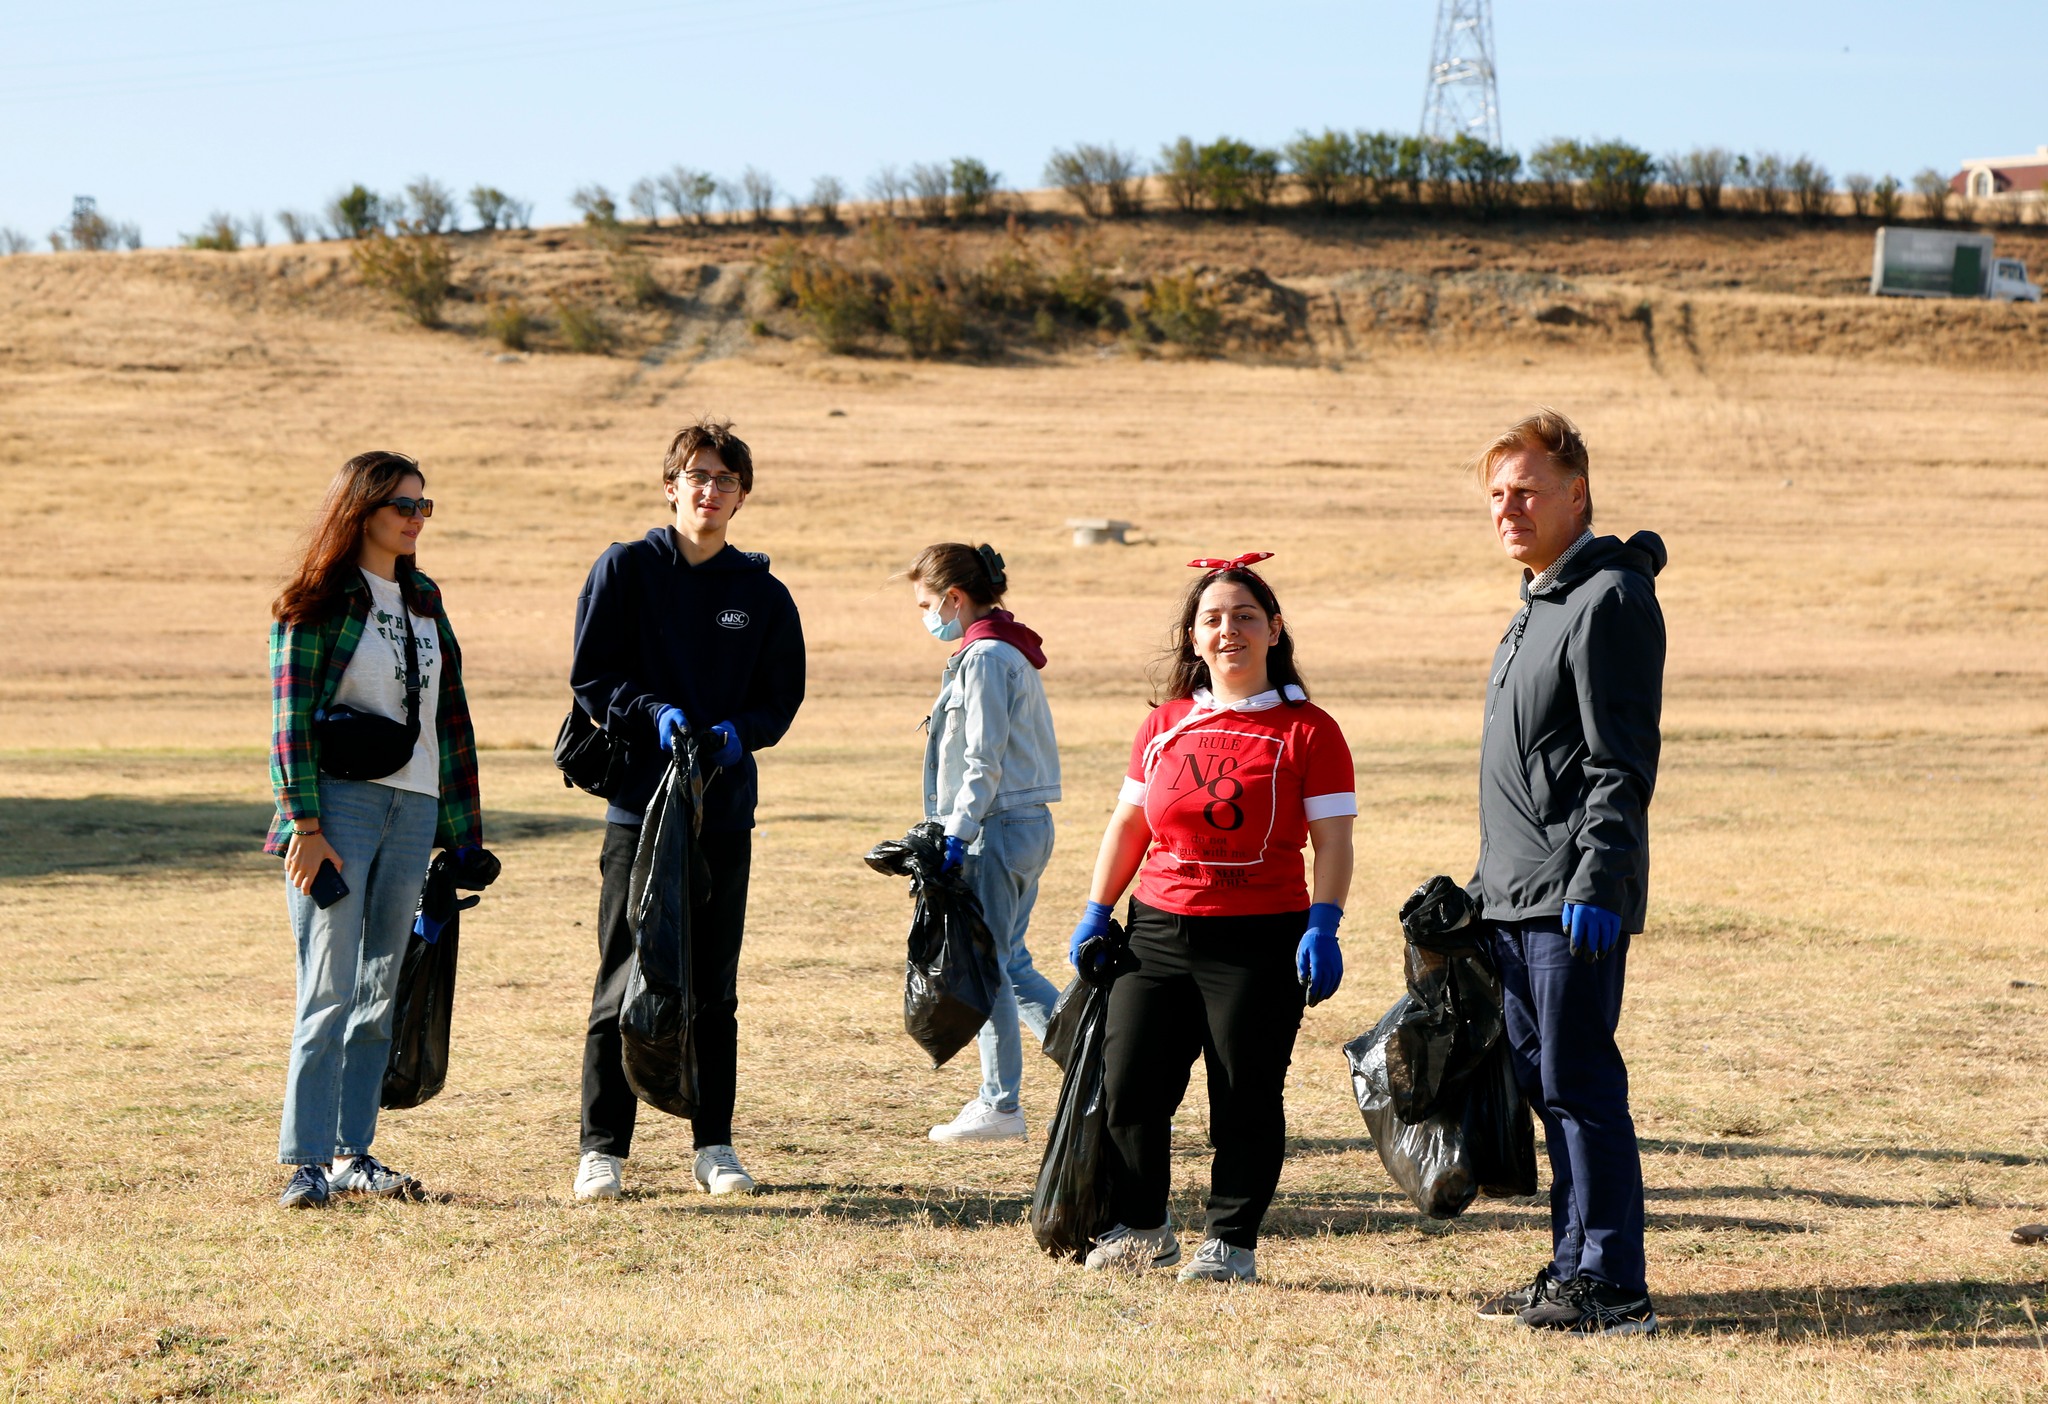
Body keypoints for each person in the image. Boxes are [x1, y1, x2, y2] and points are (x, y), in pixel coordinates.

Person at [1067, 553, 1355, 1283]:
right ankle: (1144, 1229)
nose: (1230, 630)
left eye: (1245, 617)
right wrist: (1098, 911)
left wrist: (1324, 924)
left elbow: (1333, 841)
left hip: (1261, 938)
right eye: (1214, 619)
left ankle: (1231, 1242)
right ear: (1194, 638)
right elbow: (1129, 826)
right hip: (1156, 932)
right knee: (1130, 1086)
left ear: (1274, 630)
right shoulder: (1163, 724)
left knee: (1244, 1098)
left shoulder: (1310, 730)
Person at [1462, 409, 1666, 1335]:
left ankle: (1615, 1286)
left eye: (1528, 491)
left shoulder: (1608, 598)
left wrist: (1598, 879)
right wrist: (1480, 892)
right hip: (1513, 896)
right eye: (1497, 494)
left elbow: (1619, 762)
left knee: (1582, 1088)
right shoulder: (1539, 600)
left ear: (1577, 493)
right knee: (1549, 1091)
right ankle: (1573, 1268)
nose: (1509, 508)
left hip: (1569, 897)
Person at [569, 418, 806, 1201]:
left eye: (725, 480)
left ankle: (715, 1147)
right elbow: (592, 677)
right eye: (697, 476)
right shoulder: (625, 570)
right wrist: (652, 712)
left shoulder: (762, 595)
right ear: (671, 487)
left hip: (722, 813)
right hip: (637, 810)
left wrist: (740, 734)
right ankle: (603, 1150)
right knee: (623, 974)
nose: (710, 491)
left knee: (713, 985)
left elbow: (781, 699)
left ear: (742, 496)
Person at [268, 451, 485, 1208]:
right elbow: (290, 720)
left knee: (379, 988)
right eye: (403, 505)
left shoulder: (425, 599)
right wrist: (304, 823)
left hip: (414, 808)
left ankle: (351, 1153)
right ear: (361, 510)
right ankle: (304, 1161)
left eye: (425, 505)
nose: (416, 518)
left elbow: (450, 720)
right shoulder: (319, 600)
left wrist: (463, 835)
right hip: (339, 809)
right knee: (327, 988)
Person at [906, 542, 1062, 1144]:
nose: (926, 617)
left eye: (927, 604)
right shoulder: (1002, 649)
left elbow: (982, 758)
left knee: (989, 967)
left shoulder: (987, 658)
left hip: (995, 826)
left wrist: (958, 831)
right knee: (1012, 961)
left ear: (954, 597)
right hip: (1018, 823)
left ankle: (1000, 1105)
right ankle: (1102, 1070)